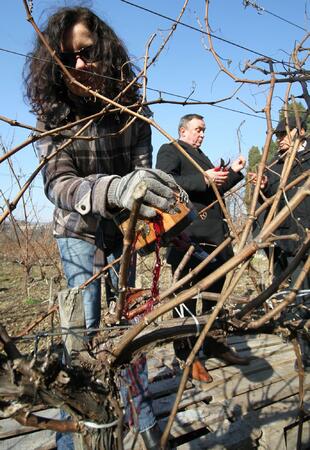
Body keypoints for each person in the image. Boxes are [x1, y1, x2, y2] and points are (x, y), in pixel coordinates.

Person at [24, 6, 178, 449]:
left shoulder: (131, 109)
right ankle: (80, 436)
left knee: (128, 327)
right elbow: (60, 184)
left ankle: (141, 415)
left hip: (123, 234)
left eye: (88, 54)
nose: (79, 65)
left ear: (106, 52)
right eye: (67, 58)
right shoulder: (53, 118)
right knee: (84, 334)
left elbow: (142, 171)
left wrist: (154, 211)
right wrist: (113, 190)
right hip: (76, 232)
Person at [156, 113, 250, 384]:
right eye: (198, 129)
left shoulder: (202, 158)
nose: (202, 134)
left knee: (214, 295)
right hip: (189, 238)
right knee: (185, 298)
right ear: (183, 130)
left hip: (215, 238)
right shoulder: (171, 149)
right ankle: (187, 356)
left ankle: (213, 343)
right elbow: (163, 180)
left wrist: (233, 171)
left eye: (204, 130)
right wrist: (204, 180)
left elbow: (214, 191)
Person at [250, 116, 310, 371]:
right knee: (296, 300)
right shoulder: (274, 167)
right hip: (287, 246)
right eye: (277, 135)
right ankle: (306, 354)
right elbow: (267, 208)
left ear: (302, 133)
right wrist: (262, 188)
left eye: (285, 133)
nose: (280, 139)